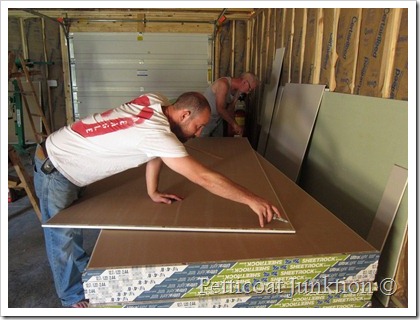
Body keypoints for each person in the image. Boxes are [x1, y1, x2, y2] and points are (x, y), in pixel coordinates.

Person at [33, 91, 283, 308]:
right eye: (198, 126)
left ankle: (81, 270)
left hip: (71, 157)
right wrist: (252, 200)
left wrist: (152, 190)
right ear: (184, 115)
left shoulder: (157, 102)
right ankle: (71, 296)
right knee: (62, 235)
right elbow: (204, 178)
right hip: (56, 167)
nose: (199, 133)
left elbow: (152, 152)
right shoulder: (158, 135)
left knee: (74, 229)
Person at [201, 72, 259, 137]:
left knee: (218, 142)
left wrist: (235, 125)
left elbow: (230, 109)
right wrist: (234, 125)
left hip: (218, 119)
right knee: (201, 142)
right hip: (206, 119)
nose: (248, 92)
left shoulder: (238, 90)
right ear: (244, 82)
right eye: (249, 89)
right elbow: (220, 109)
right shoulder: (223, 84)